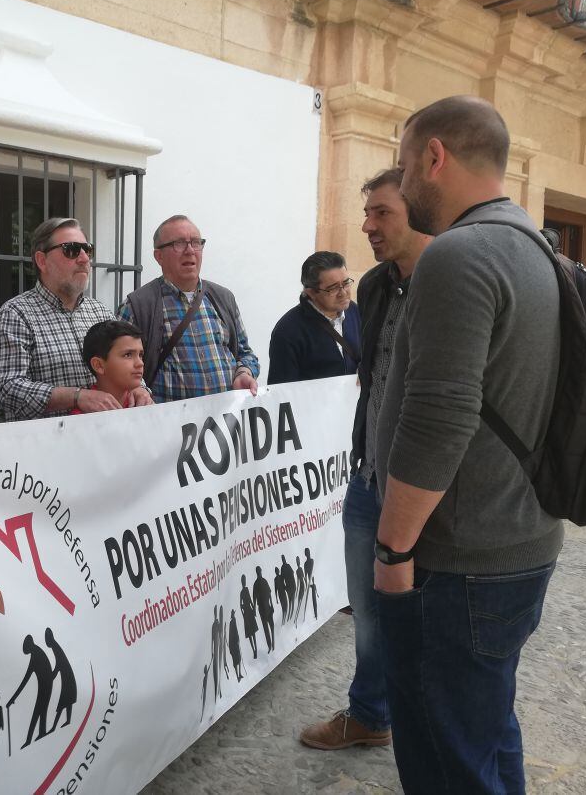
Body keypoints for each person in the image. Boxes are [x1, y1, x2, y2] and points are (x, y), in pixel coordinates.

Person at [375, 95, 561, 793]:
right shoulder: (536, 246)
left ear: (434, 157)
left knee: (446, 758)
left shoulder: (459, 254)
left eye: (404, 161)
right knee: (485, 731)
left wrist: (394, 552)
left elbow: (440, 417)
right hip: (518, 543)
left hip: (455, 563)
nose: (403, 177)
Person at [300, 168, 431, 752]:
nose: (367, 224)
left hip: (427, 489)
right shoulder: (377, 287)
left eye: (381, 212)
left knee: (428, 615)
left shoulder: (452, 282)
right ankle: (371, 713)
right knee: (369, 610)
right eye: (367, 212)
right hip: (367, 479)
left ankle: (429, 724)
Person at [0, 217, 152, 420]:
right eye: (71, 250)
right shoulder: (16, 314)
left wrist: (140, 389)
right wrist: (76, 397)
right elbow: (8, 389)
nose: (84, 259)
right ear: (42, 261)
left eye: (87, 250)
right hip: (47, 446)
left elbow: (125, 361)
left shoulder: (100, 311)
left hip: (104, 443)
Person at [119, 214, 259, 402]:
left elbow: (245, 353)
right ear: (158, 256)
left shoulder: (223, 298)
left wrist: (243, 372)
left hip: (222, 425)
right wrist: (140, 389)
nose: (190, 250)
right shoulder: (138, 306)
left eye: (196, 242)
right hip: (169, 426)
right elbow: (118, 366)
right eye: (178, 243)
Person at [268, 251, 361, 384]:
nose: (343, 293)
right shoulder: (288, 331)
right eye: (333, 288)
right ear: (311, 292)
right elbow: (281, 390)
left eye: (346, 283)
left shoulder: (356, 312)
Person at [71, 319, 145, 413]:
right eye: (128, 355)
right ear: (99, 365)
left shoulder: (144, 404)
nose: (140, 363)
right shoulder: (81, 417)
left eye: (141, 355)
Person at [238, 573, 259, 659]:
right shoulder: (242, 592)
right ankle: (254, 649)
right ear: (242, 582)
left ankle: (255, 649)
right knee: (250, 633)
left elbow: (250, 600)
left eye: (244, 580)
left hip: (249, 612)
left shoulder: (246, 590)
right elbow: (240, 604)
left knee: (252, 632)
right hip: (247, 612)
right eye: (243, 581)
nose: (244, 582)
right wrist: (243, 613)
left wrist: (253, 609)